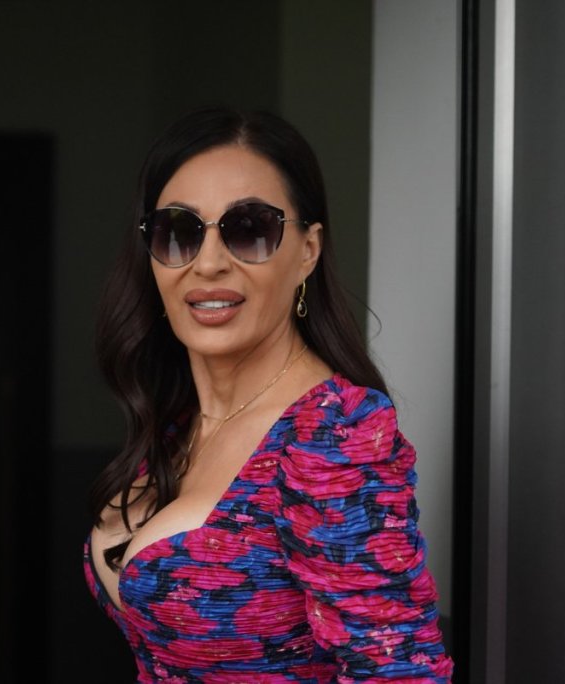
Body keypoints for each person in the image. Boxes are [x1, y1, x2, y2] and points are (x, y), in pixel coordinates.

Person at [84, 107, 453, 683]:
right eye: (178, 232)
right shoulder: (183, 422)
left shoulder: (331, 437)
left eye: (249, 229)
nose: (208, 263)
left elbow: (399, 673)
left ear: (308, 250)